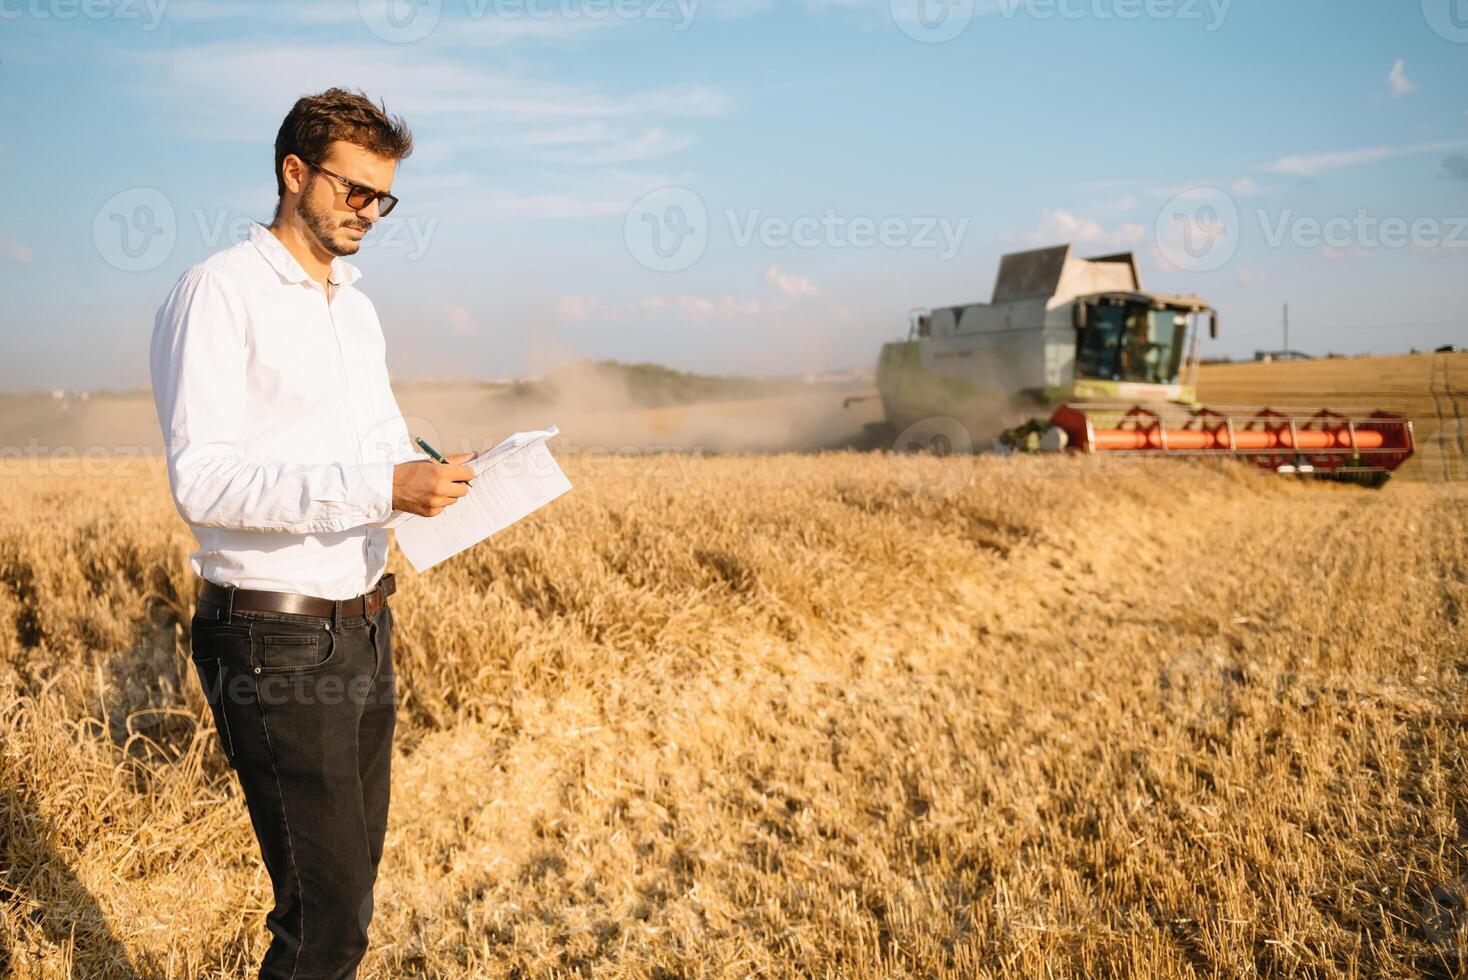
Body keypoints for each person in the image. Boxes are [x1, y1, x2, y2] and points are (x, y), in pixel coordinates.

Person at [149, 87, 475, 979]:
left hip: (366, 622)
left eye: (384, 198)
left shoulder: (355, 309)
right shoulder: (219, 293)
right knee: (324, 926)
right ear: (294, 173)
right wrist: (381, 483)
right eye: (353, 190)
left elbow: (376, 451)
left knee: (348, 902)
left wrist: (435, 472)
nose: (370, 212)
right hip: (276, 635)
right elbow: (204, 481)